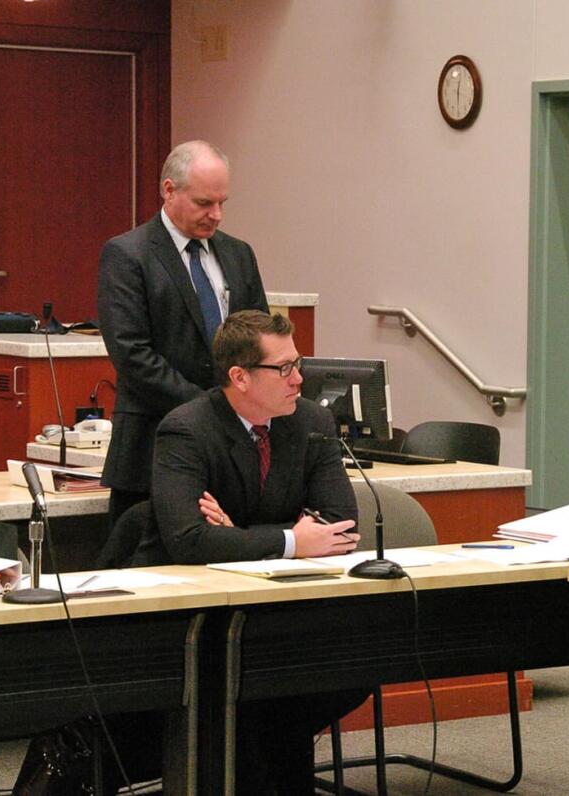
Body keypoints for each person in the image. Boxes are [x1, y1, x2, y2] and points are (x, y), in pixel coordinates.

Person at [129, 309, 363, 794]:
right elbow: (189, 540)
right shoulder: (187, 429)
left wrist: (240, 535)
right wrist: (293, 541)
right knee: (259, 699)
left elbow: (340, 526)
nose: (299, 379)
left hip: (275, 612)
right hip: (183, 618)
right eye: (284, 369)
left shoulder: (313, 421)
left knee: (340, 670)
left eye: (298, 364)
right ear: (239, 377)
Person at [97, 140, 269, 532]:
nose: (217, 215)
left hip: (230, 453)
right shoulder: (128, 255)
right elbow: (132, 355)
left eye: (223, 202)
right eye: (204, 203)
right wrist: (212, 407)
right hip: (153, 446)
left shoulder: (239, 254)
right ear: (169, 190)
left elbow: (258, 339)